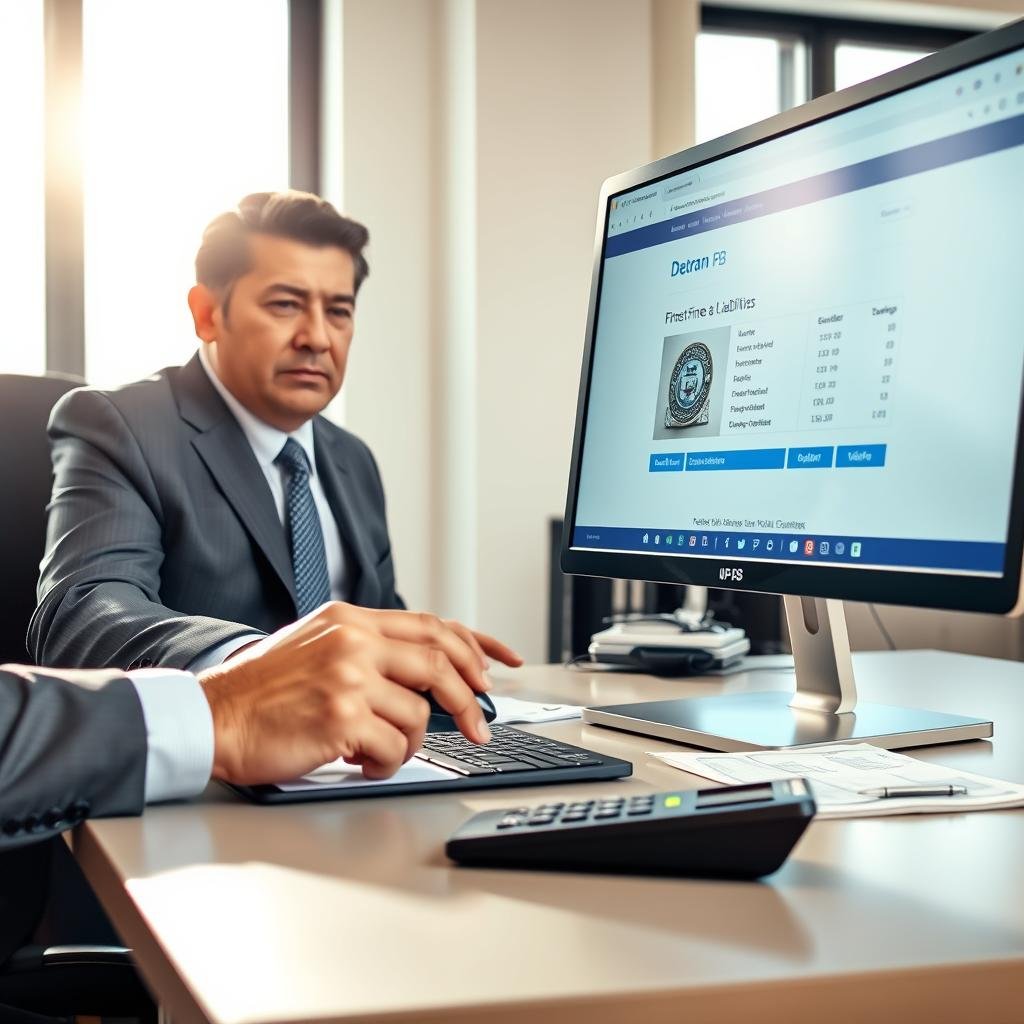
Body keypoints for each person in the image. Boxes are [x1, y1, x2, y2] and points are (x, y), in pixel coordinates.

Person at [29, 190, 518, 681]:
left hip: (357, 753)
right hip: (213, 746)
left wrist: (428, 661)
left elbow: (372, 626)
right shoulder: (122, 426)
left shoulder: (353, 461)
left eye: (339, 312)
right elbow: (83, 615)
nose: (318, 338)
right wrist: (260, 660)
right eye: (286, 305)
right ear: (207, 314)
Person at [1, 602, 495, 971]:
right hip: (216, 872)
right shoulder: (139, 457)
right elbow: (87, 609)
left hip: (351, 827)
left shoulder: (351, 464)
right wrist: (231, 697)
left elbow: (376, 606)